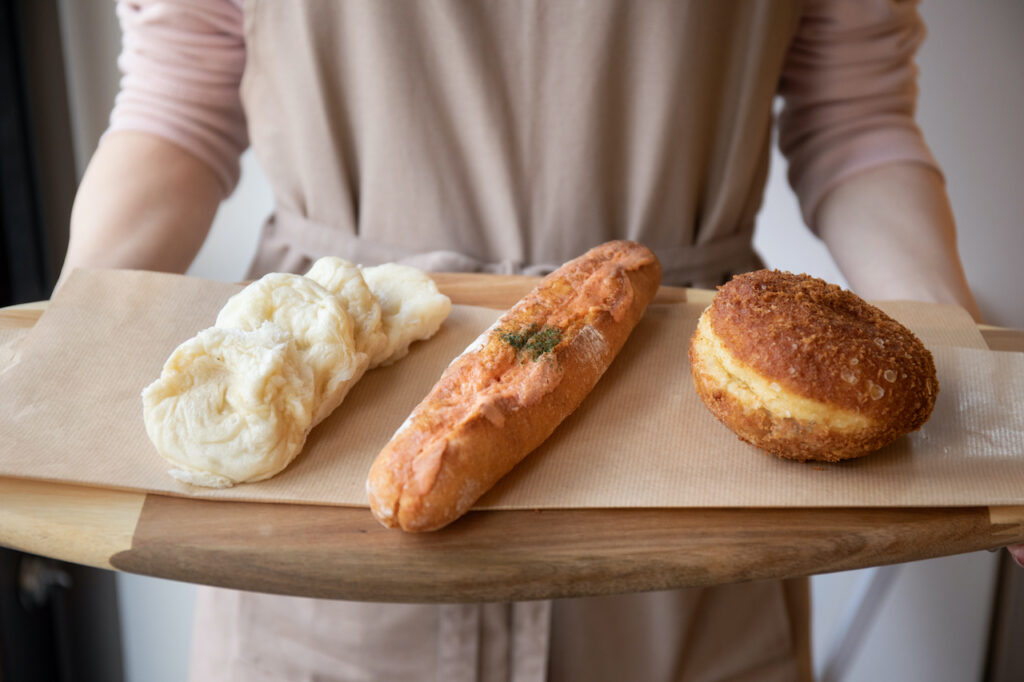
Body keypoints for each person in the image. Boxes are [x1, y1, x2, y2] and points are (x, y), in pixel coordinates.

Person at [59, 1, 1021, 680]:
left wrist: (991, 414)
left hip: (677, 483)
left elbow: (854, 118)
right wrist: (54, 373)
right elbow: (176, 107)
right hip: (332, 413)